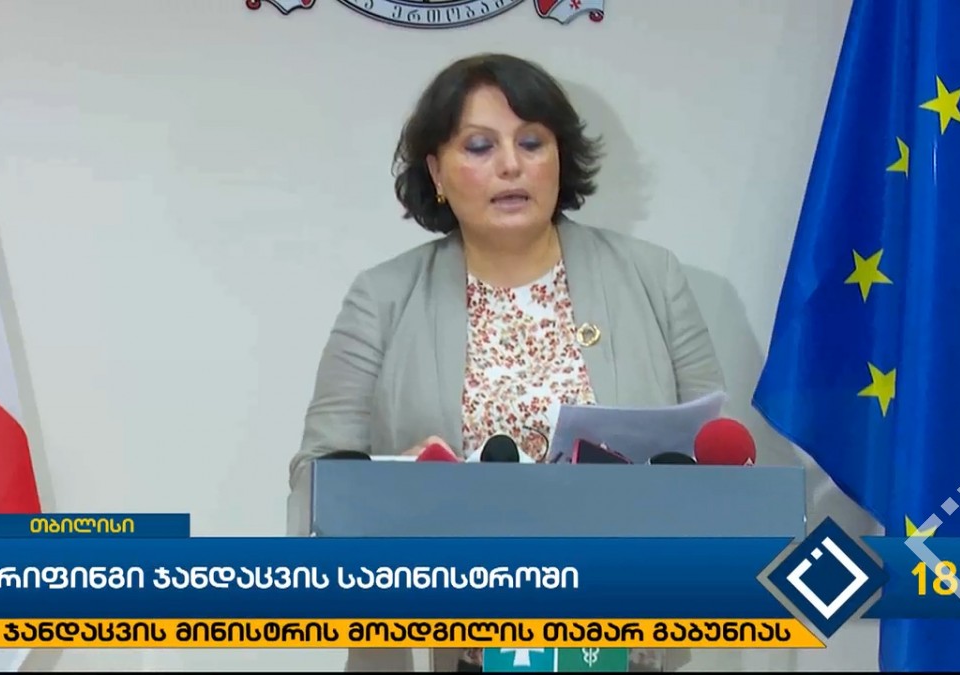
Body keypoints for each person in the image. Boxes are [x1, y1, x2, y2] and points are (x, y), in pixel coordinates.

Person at [291, 53, 724, 672]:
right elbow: (319, 476)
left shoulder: (652, 277)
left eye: (531, 142)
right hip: (459, 644)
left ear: (559, 158)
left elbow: (720, 457)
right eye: (479, 146)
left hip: (626, 640)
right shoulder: (383, 296)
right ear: (437, 171)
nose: (511, 165)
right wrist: (399, 500)